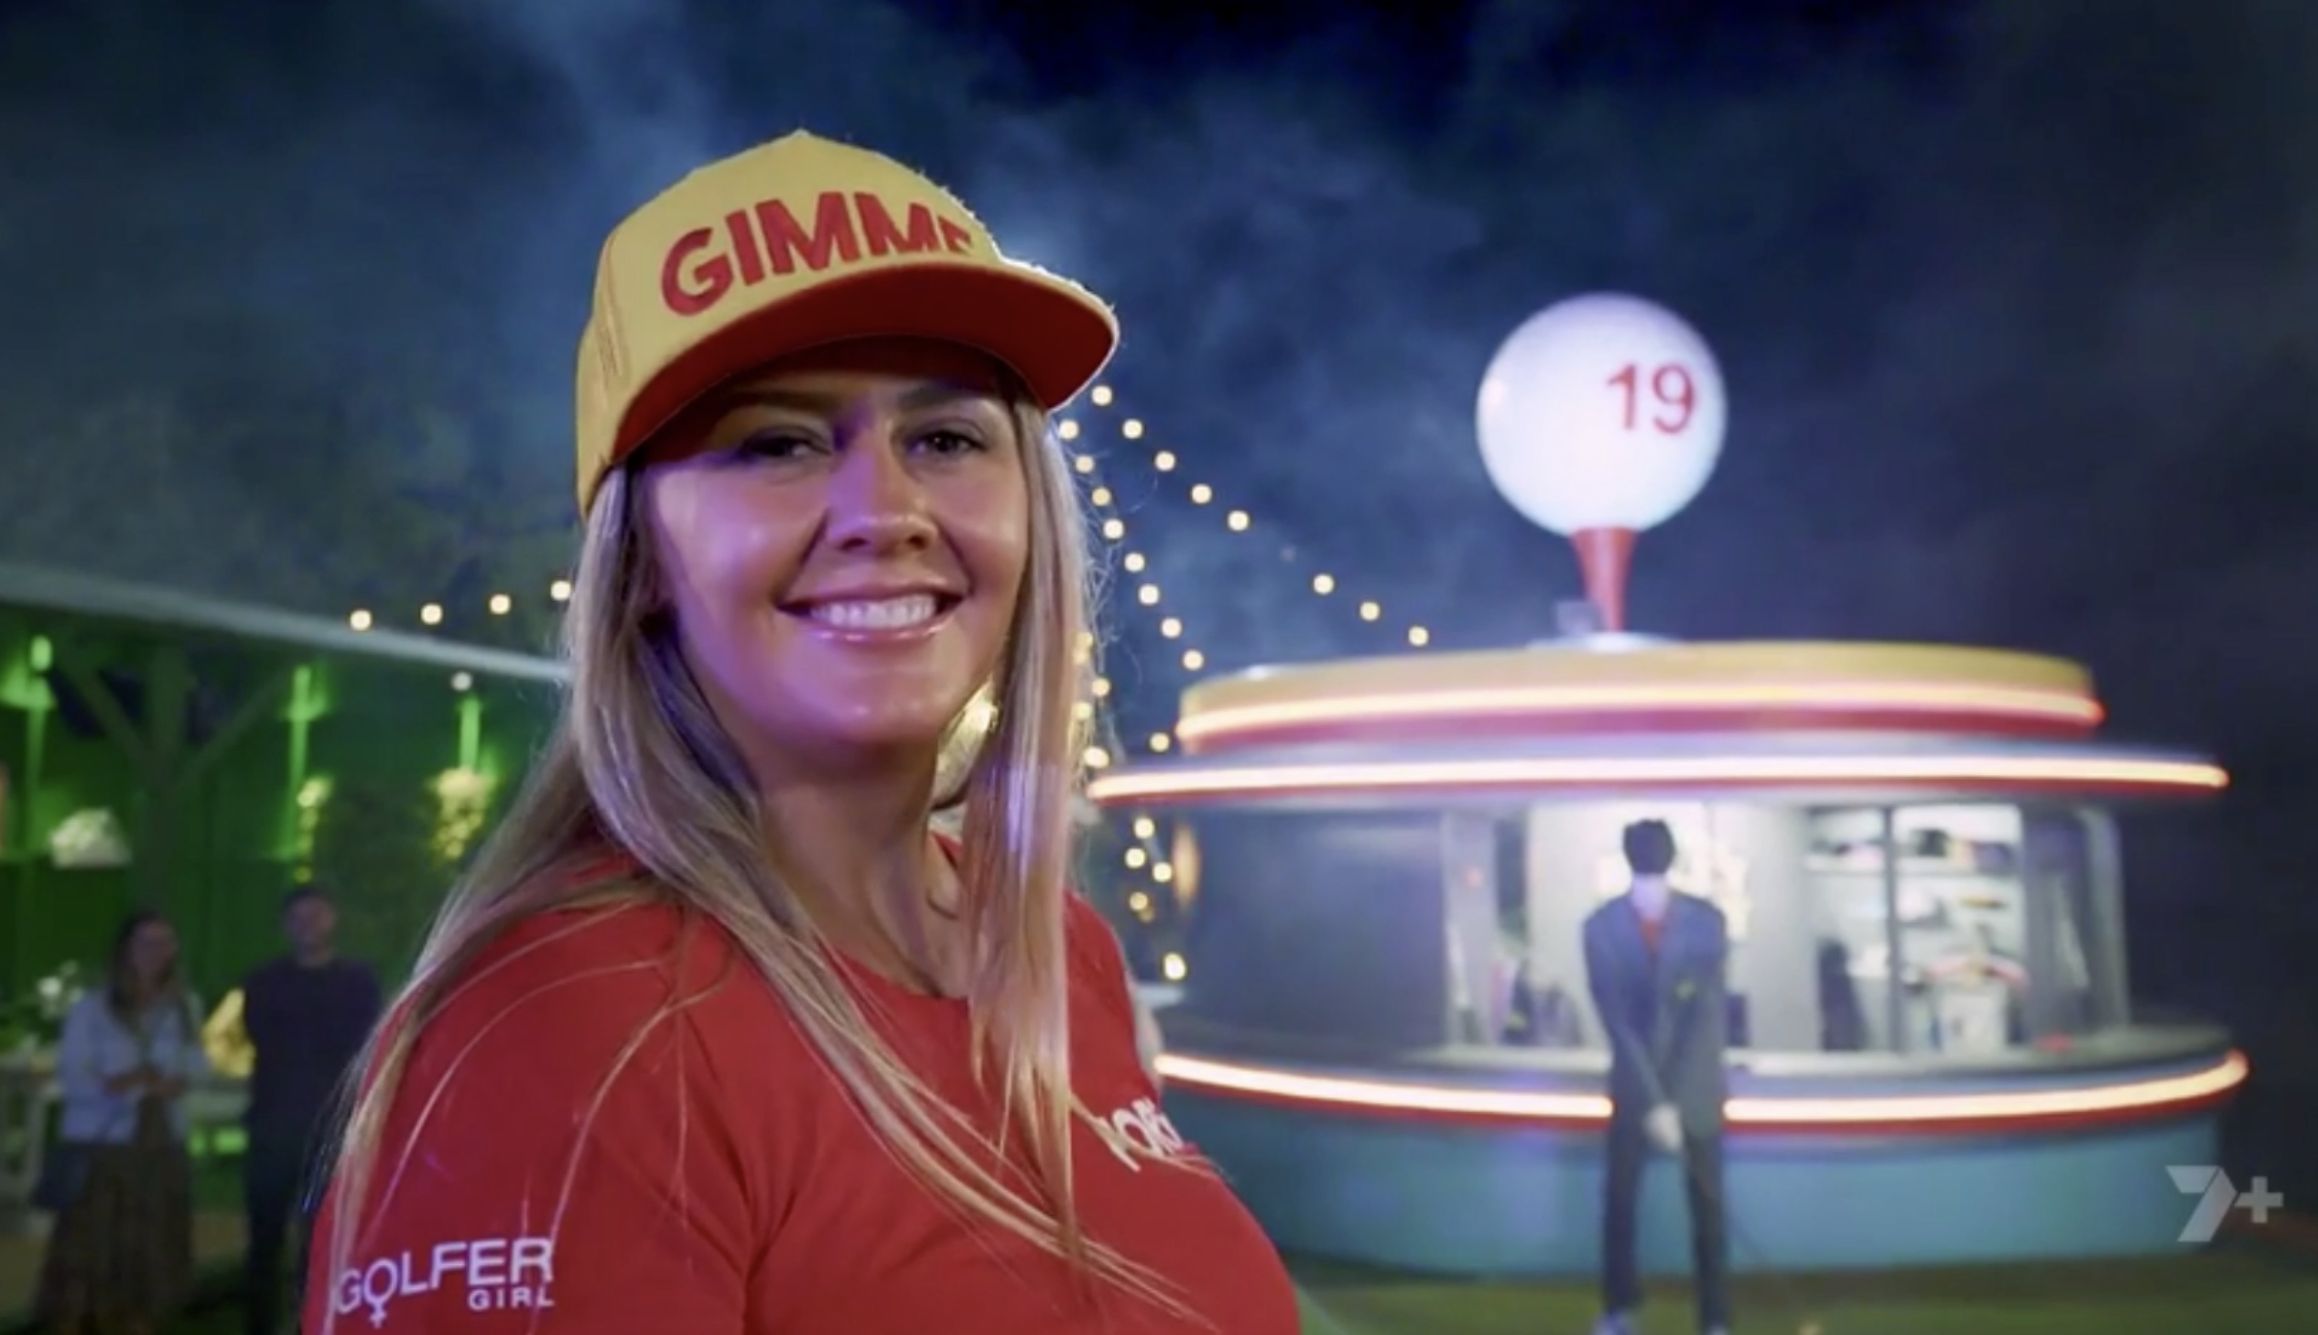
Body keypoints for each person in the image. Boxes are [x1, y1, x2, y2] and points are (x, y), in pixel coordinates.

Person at [302, 130, 1299, 1333]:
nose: (884, 510)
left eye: (944, 438)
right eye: (776, 442)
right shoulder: (568, 1033)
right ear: (639, 562)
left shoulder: (1051, 948)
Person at [1582, 820, 1731, 1335]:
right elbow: (1617, 1022)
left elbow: (1703, 1019)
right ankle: (1619, 1309)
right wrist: (1654, 1102)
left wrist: (1674, 1101)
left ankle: (1714, 1318)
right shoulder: (1601, 928)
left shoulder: (1707, 923)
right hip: (1634, 1089)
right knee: (1619, 1202)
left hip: (1696, 1089)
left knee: (1708, 1208)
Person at [37, 910, 208, 1335]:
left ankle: (140, 1319)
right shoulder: (92, 1008)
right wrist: (128, 1084)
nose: (156, 953)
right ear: (126, 950)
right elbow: (75, 1073)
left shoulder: (182, 1006)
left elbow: (197, 1064)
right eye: (146, 943)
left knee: (151, 1242)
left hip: (160, 1140)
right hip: (104, 1142)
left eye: (164, 943)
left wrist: (172, 1082)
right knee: (93, 1244)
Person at [239, 886, 380, 1335]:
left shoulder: (357, 983)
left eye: (316, 915)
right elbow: (260, 1038)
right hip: (273, 1125)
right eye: (300, 917)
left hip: (331, 1130)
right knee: (264, 1237)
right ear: (286, 925)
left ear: (332, 919)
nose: (308, 925)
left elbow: (364, 1046)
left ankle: (313, 1323)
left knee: (320, 1237)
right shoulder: (264, 982)